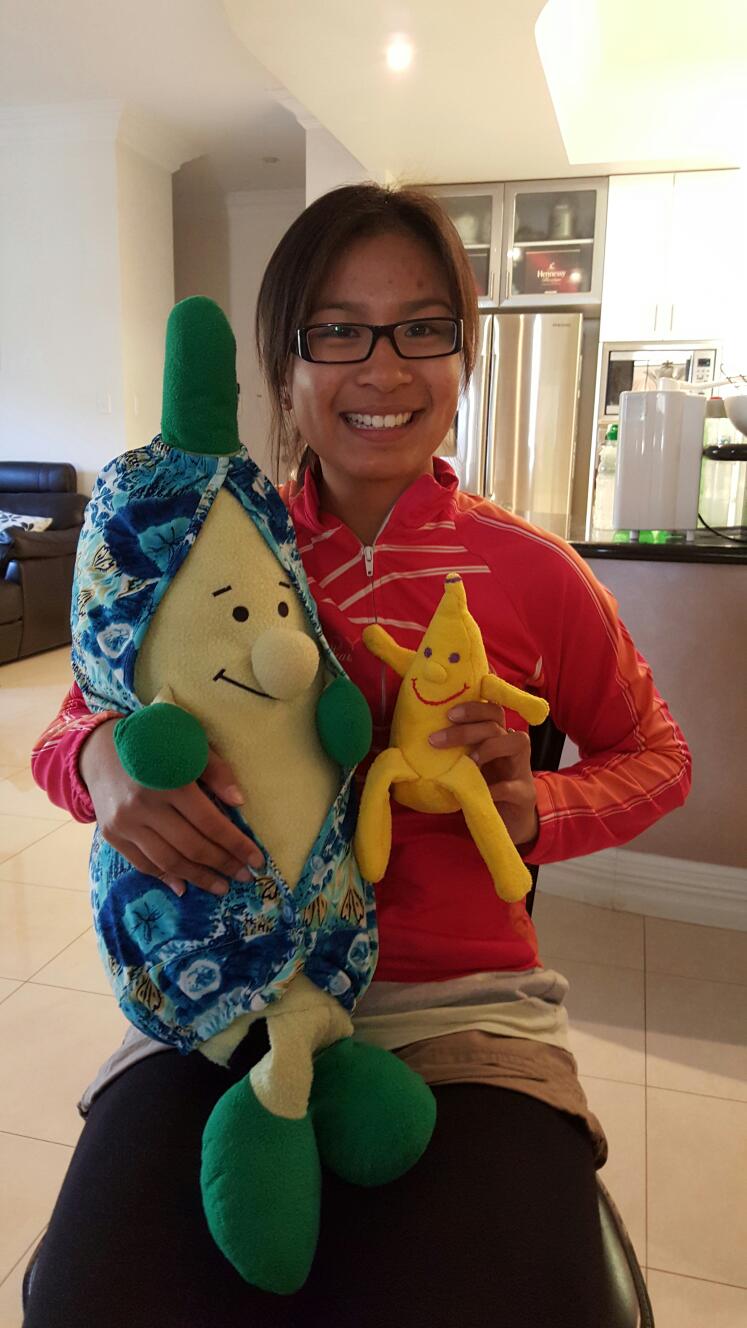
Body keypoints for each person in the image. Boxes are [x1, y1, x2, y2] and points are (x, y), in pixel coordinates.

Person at [25, 183, 691, 1328]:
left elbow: (658, 753)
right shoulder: (215, 545)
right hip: (224, 989)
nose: (383, 367)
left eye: (421, 327)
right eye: (338, 330)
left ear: (462, 356)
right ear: (284, 369)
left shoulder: (534, 570)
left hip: (462, 1012)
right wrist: (97, 763)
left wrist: (533, 804)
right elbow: (67, 716)